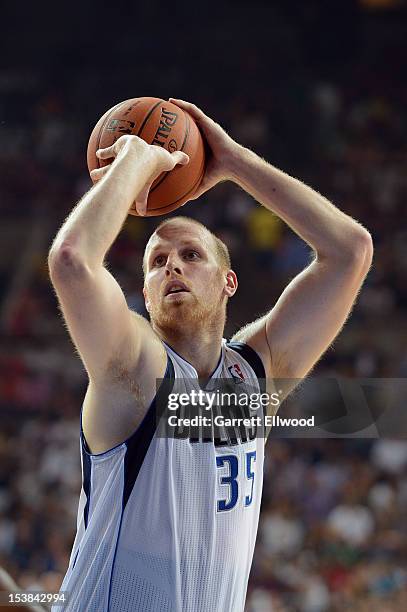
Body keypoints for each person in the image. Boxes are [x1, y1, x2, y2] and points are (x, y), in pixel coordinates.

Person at [47, 98, 373, 611]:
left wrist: (234, 161)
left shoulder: (257, 376)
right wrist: (136, 159)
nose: (172, 266)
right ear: (146, 295)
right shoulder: (135, 368)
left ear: (229, 282)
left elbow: (351, 251)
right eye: (157, 262)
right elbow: (72, 261)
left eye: (190, 255)